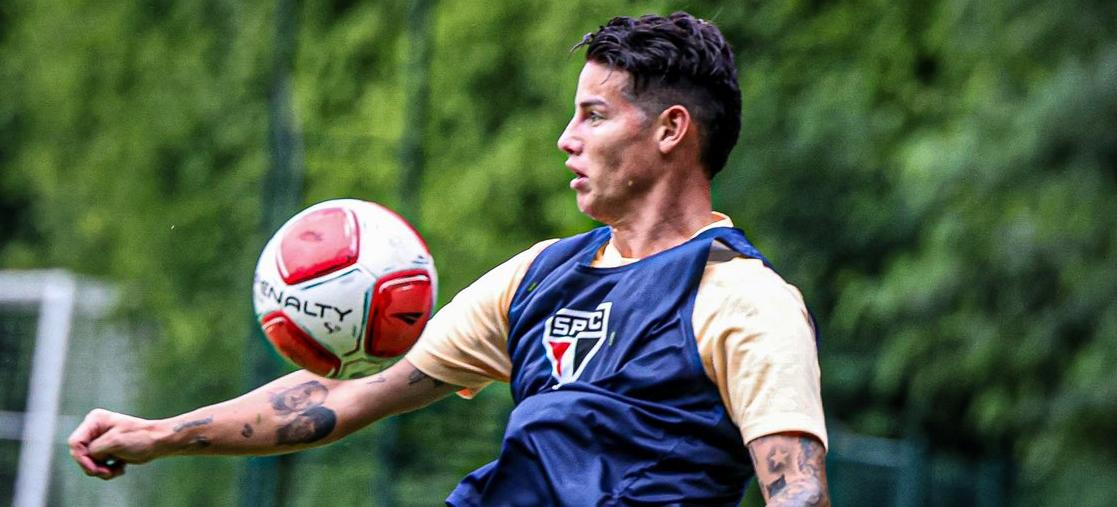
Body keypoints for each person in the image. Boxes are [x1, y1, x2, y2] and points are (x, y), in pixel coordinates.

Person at [69, 12, 829, 506]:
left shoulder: (744, 301)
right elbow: (355, 394)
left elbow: (795, 494)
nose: (565, 138)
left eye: (593, 115)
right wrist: (160, 433)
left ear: (670, 131)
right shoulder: (541, 274)